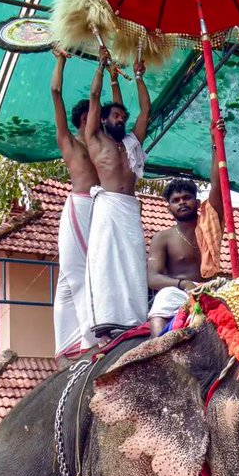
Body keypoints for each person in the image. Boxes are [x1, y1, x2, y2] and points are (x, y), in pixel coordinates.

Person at [83, 48, 152, 342]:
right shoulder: (95, 138)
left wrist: (137, 76)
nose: (120, 118)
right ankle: (106, 321)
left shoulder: (131, 142)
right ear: (104, 120)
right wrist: (101, 67)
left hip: (129, 207)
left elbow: (146, 109)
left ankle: (133, 318)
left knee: (134, 260)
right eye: (115, 115)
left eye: (123, 116)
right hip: (108, 206)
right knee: (106, 261)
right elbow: (96, 99)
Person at [146, 120, 227, 336]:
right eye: (176, 200)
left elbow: (218, 186)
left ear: (196, 201)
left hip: (212, 290)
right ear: (169, 208)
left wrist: (216, 144)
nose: (182, 202)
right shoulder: (162, 238)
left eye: (187, 197)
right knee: (161, 302)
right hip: (178, 294)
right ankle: (156, 353)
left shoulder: (209, 224)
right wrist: (183, 284)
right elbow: (152, 278)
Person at [50, 48, 102, 359]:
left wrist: (105, 70)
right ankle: (78, 344)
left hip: (101, 208)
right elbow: (55, 92)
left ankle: (87, 338)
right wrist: (61, 59)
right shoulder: (69, 143)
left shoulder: (103, 146)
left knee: (94, 271)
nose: (88, 122)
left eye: (91, 118)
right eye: (84, 119)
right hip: (79, 207)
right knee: (73, 274)